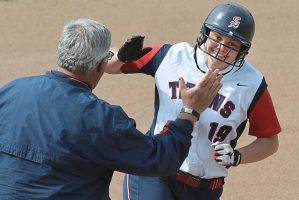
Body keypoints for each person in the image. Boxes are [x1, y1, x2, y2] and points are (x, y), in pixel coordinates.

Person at [0, 18, 223, 200]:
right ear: (100, 66)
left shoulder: (11, 91)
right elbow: (161, 159)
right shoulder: (101, 118)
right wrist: (190, 111)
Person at [104, 3, 281, 200]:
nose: (221, 49)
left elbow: (270, 141)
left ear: (242, 51)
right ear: (206, 33)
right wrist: (120, 56)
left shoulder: (252, 83)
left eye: (232, 45)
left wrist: (237, 156)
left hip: (205, 190)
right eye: (217, 38)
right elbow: (108, 65)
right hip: (155, 173)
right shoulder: (172, 57)